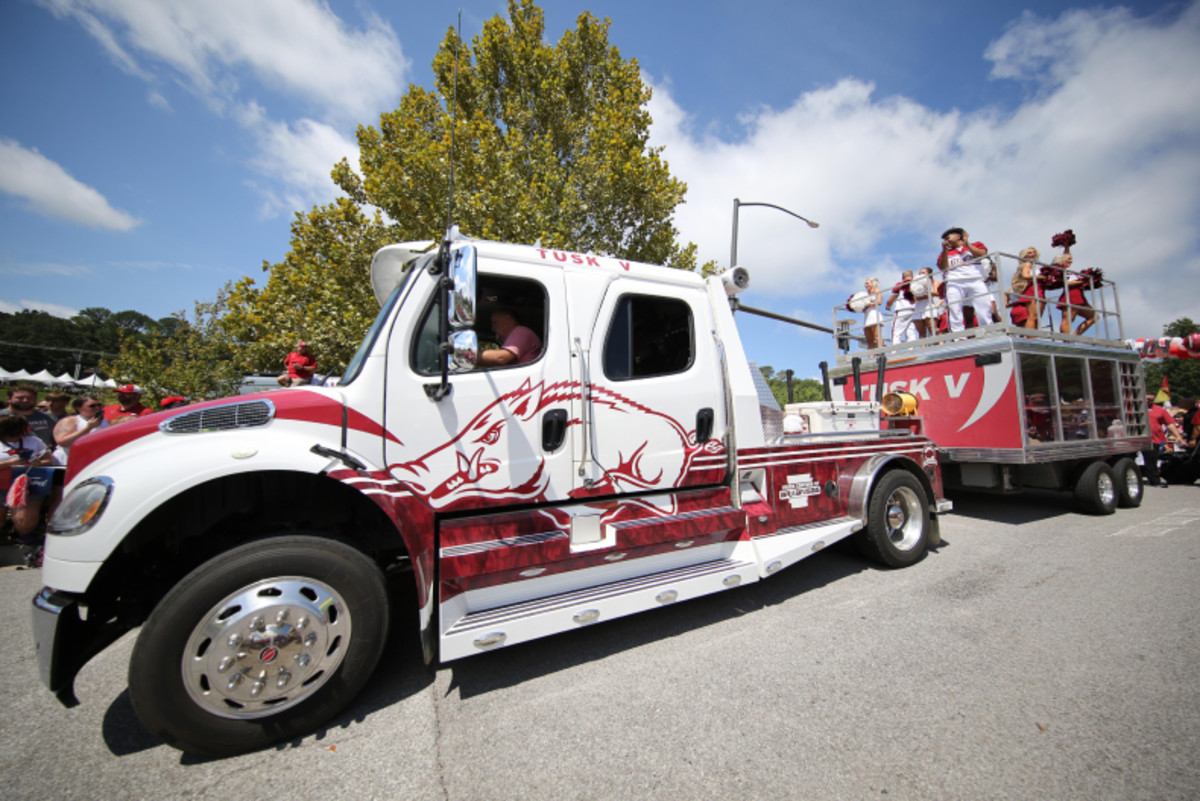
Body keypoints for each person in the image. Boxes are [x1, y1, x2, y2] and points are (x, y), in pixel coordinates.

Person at [1, 414, 57, 559]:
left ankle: (27, 541)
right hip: (2, 482)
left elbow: (49, 460)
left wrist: (37, 463)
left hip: (29, 482)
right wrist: (10, 462)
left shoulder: (33, 441)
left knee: (25, 518)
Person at [937, 227, 993, 332]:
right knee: (954, 309)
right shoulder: (945, 253)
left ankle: (988, 332)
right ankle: (959, 336)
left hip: (975, 280)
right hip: (954, 282)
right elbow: (942, 267)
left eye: (948, 237)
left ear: (958, 236)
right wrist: (944, 250)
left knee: (984, 307)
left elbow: (982, 255)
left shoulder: (976, 245)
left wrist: (967, 244)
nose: (946, 241)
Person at [52, 396, 107, 464]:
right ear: (78, 408)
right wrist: (88, 428)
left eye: (99, 405)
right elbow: (62, 442)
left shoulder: (104, 421)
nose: (97, 408)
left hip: (90, 462)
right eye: (92, 406)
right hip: (67, 461)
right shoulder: (71, 420)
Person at [478, 309, 542, 367]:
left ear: (507, 319)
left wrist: (470, 355)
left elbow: (500, 358)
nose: (493, 329)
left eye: (495, 323)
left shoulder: (520, 331)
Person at [1054, 253, 1096, 335]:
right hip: (1071, 294)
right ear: (1061, 259)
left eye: (1071, 259)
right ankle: (1066, 340)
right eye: (1068, 259)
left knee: (1093, 316)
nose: (1071, 261)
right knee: (1069, 319)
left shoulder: (1068, 271)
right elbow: (1066, 283)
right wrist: (1082, 281)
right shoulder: (1059, 270)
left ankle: (1075, 336)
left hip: (1079, 295)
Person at [1147, 401, 1185, 487]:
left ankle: (1155, 480)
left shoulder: (1160, 410)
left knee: (1152, 459)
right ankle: (1152, 479)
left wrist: (1178, 436)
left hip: (1155, 440)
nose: (1148, 400)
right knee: (1147, 460)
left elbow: (1169, 424)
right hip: (1139, 439)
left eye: (1150, 399)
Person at [1007, 247, 1043, 330]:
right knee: (1032, 320)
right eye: (1029, 253)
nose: (1033, 254)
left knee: (1034, 322)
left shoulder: (1036, 267)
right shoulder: (1026, 265)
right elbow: (1025, 276)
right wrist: (1041, 277)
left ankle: (1031, 339)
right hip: (1024, 303)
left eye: (1034, 252)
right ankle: (1032, 340)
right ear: (1024, 256)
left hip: (1034, 295)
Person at [886, 270, 918, 344]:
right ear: (912, 276)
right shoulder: (916, 283)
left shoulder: (900, 284)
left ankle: (894, 351)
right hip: (914, 309)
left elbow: (892, 298)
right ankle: (911, 350)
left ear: (902, 277)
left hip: (901, 309)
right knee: (911, 331)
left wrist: (888, 305)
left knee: (896, 332)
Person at [910, 267, 939, 338]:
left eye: (923, 273)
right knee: (921, 331)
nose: (921, 274)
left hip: (928, 305)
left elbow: (936, 293)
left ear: (929, 273)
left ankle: (937, 344)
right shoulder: (916, 285)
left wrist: (924, 292)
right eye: (920, 273)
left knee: (932, 328)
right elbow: (914, 299)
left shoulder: (935, 282)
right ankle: (923, 347)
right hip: (919, 306)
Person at [859, 277, 884, 349]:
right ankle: (871, 356)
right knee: (869, 340)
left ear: (872, 283)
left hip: (874, 315)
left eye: (867, 283)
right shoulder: (866, 295)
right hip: (867, 316)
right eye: (865, 284)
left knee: (877, 336)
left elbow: (879, 302)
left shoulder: (877, 290)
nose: (865, 285)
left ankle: (880, 352)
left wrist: (869, 304)